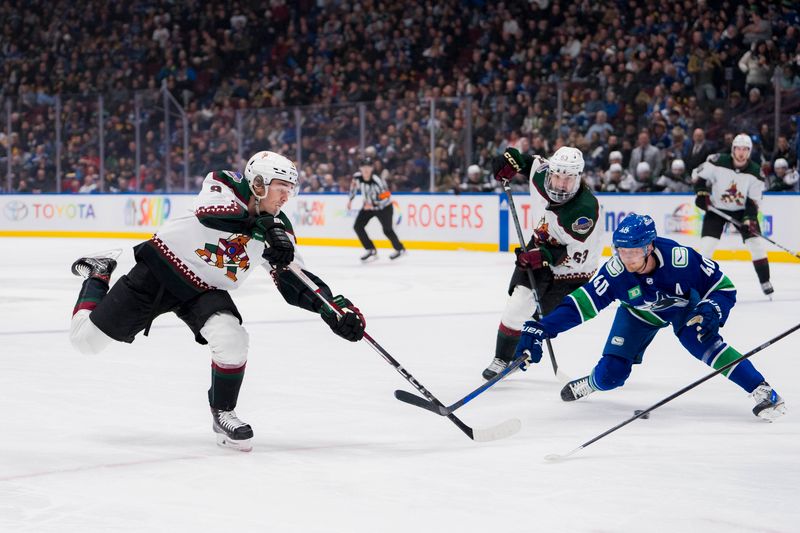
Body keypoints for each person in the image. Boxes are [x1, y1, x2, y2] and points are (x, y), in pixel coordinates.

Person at [68, 151, 366, 452]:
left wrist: (333, 308)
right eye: (281, 188)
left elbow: (296, 280)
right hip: (159, 272)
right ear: (259, 183)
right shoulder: (224, 184)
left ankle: (223, 412)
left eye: (290, 190)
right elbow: (210, 214)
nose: (286, 197)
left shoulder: (280, 229)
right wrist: (262, 228)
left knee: (232, 337)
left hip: (204, 290)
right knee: (85, 342)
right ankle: (98, 273)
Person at [514, 213, 786, 420]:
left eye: (633, 252)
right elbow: (581, 305)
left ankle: (762, 390)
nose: (627, 259)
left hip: (683, 310)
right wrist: (542, 327)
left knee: (704, 341)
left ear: (649, 247)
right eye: (621, 251)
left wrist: (713, 308)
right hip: (638, 314)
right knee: (611, 376)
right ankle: (592, 383)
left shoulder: (681, 260)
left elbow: (724, 288)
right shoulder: (615, 271)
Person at [482, 146, 602, 380]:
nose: (560, 184)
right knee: (517, 306)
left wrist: (543, 256)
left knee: (539, 319)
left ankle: (523, 351)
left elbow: (574, 253)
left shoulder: (583, 211)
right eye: (557, 176)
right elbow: (525, 161)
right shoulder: (542, 174)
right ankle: (502, 359)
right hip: (540, 247)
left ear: (578, 177)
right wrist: (509, 161)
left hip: (572, 270)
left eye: (568, 179)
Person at [692, 133, 773, 295]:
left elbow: (753, 202)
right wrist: (701, 193)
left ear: (749, 151)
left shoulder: (756, 173)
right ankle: (698, 284)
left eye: (745, 149)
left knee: (756, 245)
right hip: (717, 209)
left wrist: (749, 220)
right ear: (733, 149)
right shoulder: (717, 162)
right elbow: (697, 177)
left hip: (742, 211)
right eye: (738, 149)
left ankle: (765, 281)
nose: (741, 153)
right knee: (707, 246)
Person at [347, 156, 406, 261]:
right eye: (363, 166)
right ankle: (370, 249)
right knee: (358, 226)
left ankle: (400, 249)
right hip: (368, 207)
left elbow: (387, 195)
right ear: (360, 168)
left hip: (384, 207)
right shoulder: (357, 177)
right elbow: (353, 188)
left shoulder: (377, 180)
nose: (366, 169)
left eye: (368, 166)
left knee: (387, 230)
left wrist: (374, 204)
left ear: (372, 168)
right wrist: (350, 200)